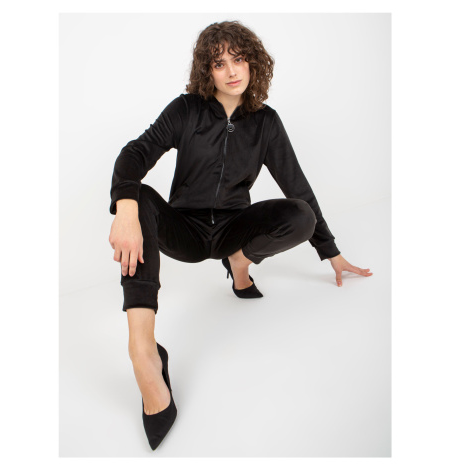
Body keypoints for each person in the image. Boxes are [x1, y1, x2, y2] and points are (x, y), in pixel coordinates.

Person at [108, 20, 373, 450]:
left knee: (299, 214)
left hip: (233, 227)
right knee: (136, 196)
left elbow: (297, 186)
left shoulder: (266, 122)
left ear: (253, 63)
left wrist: (330, 250)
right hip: (187, 231)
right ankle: (144, 350)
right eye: (219, 63)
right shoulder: (187, 110)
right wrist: (124, 207)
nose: (231, 71)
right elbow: (135, 153)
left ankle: (240, 261)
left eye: (239, 59)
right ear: (207, 71)